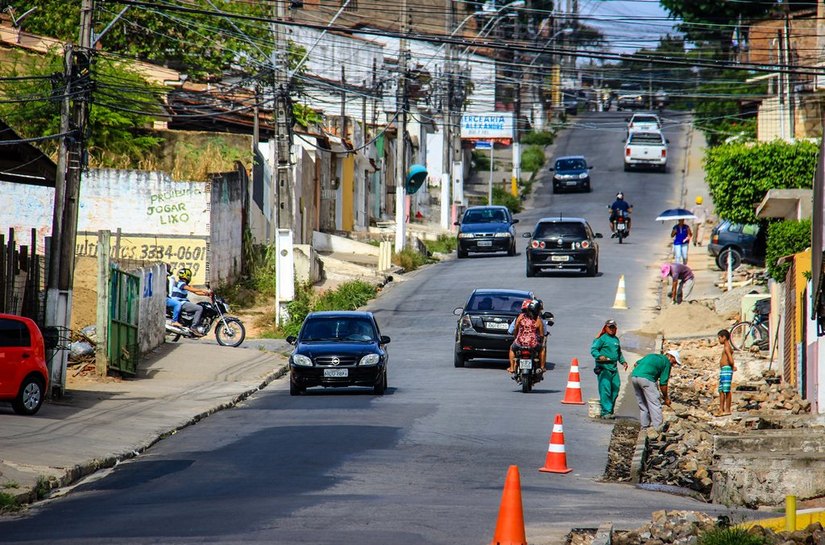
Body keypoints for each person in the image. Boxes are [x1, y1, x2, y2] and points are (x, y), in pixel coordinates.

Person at [630, 350, 680, 429]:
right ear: (671, 357)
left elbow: (636, 364)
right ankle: (658, 428)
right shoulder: (666, 362)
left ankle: (644, 426)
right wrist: (666, 398)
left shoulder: (652, 356)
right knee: (655, 404)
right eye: (675, 361)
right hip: (647, 379)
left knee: (642, 403)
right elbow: (663, 383)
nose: (674, 364)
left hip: (634, 376)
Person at [590, 319, 627, 419]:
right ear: (606, 328)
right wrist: (599, 356)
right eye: (609, 327)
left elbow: (619, 353)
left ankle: (610, 410)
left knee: (616, 388)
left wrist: (623, 361)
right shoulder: (602, 339)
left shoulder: (616, 340)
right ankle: (605, 412)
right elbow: (594, 349)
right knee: (605, 389)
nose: (611, 329)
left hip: (613, 369)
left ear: (616, 328)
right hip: (604, 368)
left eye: (613, 327)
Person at [170, 267, 212, 336]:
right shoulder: (180, 283)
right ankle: (194, 327)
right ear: (187, 276)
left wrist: (207, 294)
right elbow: (191, 289)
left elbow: (196, 293)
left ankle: (190, 322)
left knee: (197, 306)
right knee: (199, 308)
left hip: (182, 302)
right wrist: (202, 290)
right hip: (179, 302)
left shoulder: (183, 284)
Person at [507, 299, 544, 374]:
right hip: (533, 344)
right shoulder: (538, 320)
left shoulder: (520, 317)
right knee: (542, 349)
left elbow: (516, 329)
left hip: (520, 343)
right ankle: (542, 367)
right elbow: (541, 335)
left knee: (511, 348)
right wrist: (540, 341)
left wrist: (516, 339)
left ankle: (511, 367)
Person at [717, 329, 736, 416]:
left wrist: (732, 366)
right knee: (721, 390)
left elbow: (730, 359)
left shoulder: (727, 347)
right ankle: (721, 409)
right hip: (723, 370)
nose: (719, 340)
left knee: (726, 390)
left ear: (724, 338)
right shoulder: (726, 347)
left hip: (726, 370)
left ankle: (727, 409)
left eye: (719, 338)